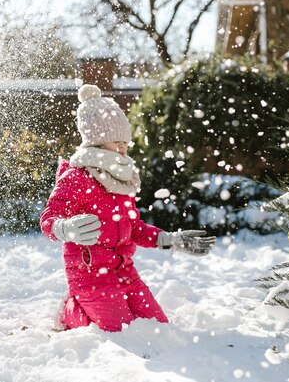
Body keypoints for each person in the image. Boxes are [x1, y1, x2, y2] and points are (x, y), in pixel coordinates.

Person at [40, 84, 215, 332]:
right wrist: (64, 228)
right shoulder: (76, 177)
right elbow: (48, 219)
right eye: (116, 142)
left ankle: (92, 309)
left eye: (125, 142)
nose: (123, 148)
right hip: (90, 278)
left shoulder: (122, 179)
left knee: (159, 328)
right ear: (97, 142)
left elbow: (133, 227)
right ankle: (72, 309)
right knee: (123, 332)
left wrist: (169, 239)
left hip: (125, 273)